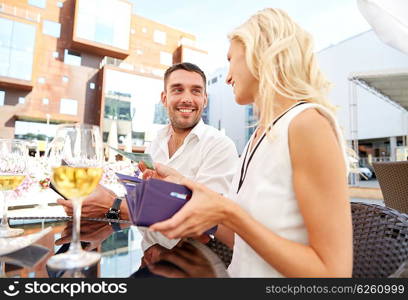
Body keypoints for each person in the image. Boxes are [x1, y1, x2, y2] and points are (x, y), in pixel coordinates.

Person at [143, 8, 353, 277]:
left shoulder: (307, 124)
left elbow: (334, 274)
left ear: (261, 54)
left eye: (231, 60)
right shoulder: (261, 135)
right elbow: (236, 239)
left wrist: (229, 213)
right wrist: (187, 191)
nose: (228, 76)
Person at [58, 62, 238, 226]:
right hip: (149, 252)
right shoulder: (155, 143)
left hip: (195, 257)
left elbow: (209, 218)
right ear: (164, 98)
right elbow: (145, 204)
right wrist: (107, 203)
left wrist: (112, 206)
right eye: (177, 90)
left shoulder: (220, 146)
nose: (187, 98)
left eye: (196, 91)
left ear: (205, 100)